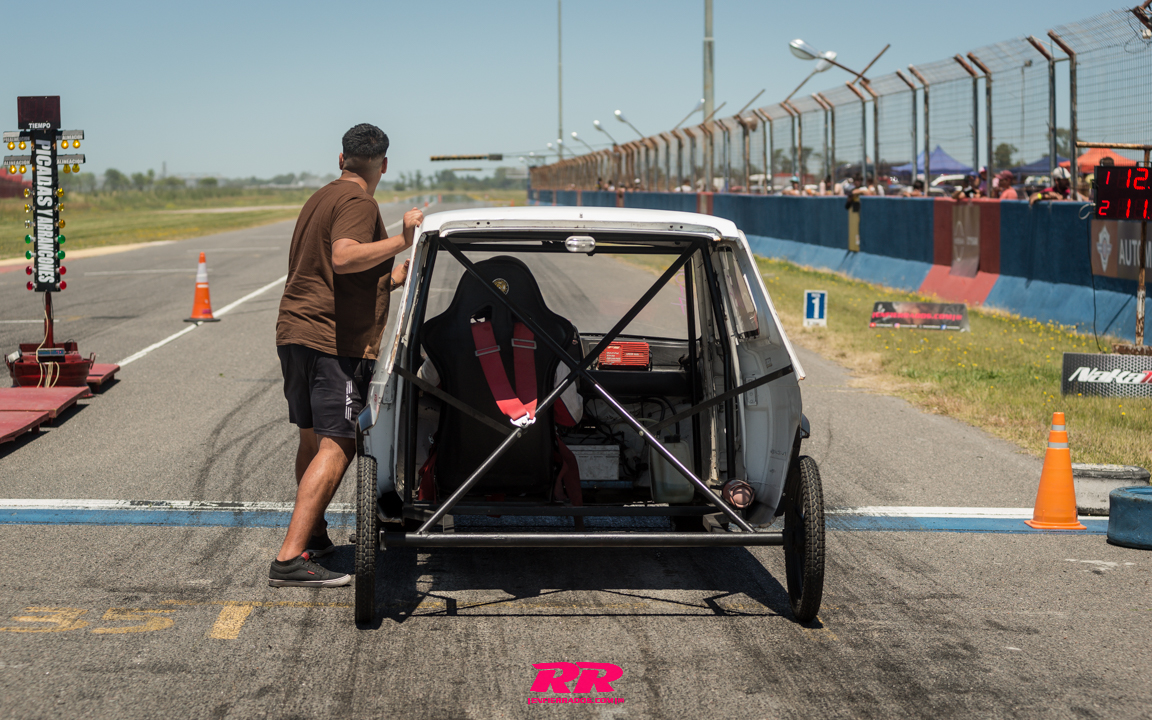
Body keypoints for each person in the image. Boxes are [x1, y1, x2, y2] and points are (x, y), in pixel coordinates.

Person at [270, 123, 423, 588]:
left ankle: (314, 536)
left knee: (312, 438)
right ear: (384, 164)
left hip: (296, 331)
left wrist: (390, 278)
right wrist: (403, 239)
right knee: (340, 443)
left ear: (341, 159)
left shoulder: (321, 197)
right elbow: (343, 257)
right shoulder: (360, 202)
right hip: (332, 342)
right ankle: (289, 559)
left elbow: (336, 273)